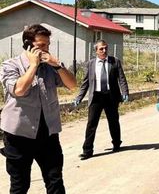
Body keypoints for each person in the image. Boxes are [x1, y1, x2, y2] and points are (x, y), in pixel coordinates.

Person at [0, 24, 77, 193]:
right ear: (28, 45)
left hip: (48, 134)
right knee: (20, 185)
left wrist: (57, 66)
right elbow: (19, 90)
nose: (46, 49)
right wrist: (33, 66)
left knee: (55, 181)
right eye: (41, 46)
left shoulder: (51, 66)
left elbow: (72, 85)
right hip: (18, 135)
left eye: (48, 45)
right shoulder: (10, 65)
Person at [74, 39, 130, 160]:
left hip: (111, 97)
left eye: (105, 48)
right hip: (96, 97)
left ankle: (116, 143)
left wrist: (125, 92)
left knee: (113, 121)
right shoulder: (90, 64)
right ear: (96, 51)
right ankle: (87, 150)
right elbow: (85, 83)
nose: (104, 51)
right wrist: (79, 97)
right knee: (91, 124)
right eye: (101, 49)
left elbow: (122, 78)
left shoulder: (115, 61)